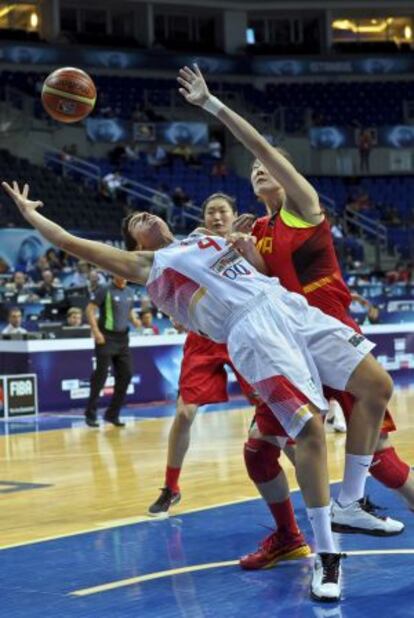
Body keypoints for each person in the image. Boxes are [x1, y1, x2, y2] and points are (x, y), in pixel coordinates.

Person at [3, 180, 396, 602]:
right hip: (253, 335)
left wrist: (242, 242)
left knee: (377, 384)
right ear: (134, 243)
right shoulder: (148, 265)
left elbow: (259, 256)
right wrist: (32, 215)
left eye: (145, 212)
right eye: (137, 222)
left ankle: (349, 502)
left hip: (287, 307)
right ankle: (327, 553)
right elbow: (71, 242)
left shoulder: (206, 239)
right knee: (309, 432)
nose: (146, 215)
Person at [175, 64, 412, 547]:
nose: (260, 168)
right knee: (260, 450)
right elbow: (259, 289)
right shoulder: (256, 233)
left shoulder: (303, 206)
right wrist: (228, 247)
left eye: (270, 165)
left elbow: (260, 146)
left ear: (287, 175)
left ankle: (350, 506)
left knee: (383, 460)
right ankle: (293, 538)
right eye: (256, 169)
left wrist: (211, 105)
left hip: (331, 336)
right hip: (287, 346)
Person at [147, 192, 309, 573]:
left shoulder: (246, 243)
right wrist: (176, 312)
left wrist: (247, 248)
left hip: (246, 332)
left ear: (235, 216)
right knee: (185, 412)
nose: (217, 215)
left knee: (277, 425)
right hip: (206, 336)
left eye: (223, 210)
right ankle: (171, 486)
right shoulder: (191, 246)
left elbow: (269, 279)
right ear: (202, 217)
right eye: (210, 210)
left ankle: (314, 497)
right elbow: (171, 291)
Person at [83, 275, 141, 428]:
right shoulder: (105, 289)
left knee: (126, 374)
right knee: (100, 376)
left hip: (123, 339)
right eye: (120, 275)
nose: (123, 278)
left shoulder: (129, 291)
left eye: (125, 275)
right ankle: (90, 414)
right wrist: (95, 331)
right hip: (106, 337)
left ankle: (112, 414)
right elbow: (90, 309)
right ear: (114, 275)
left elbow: (128, 310)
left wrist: (134, 320)